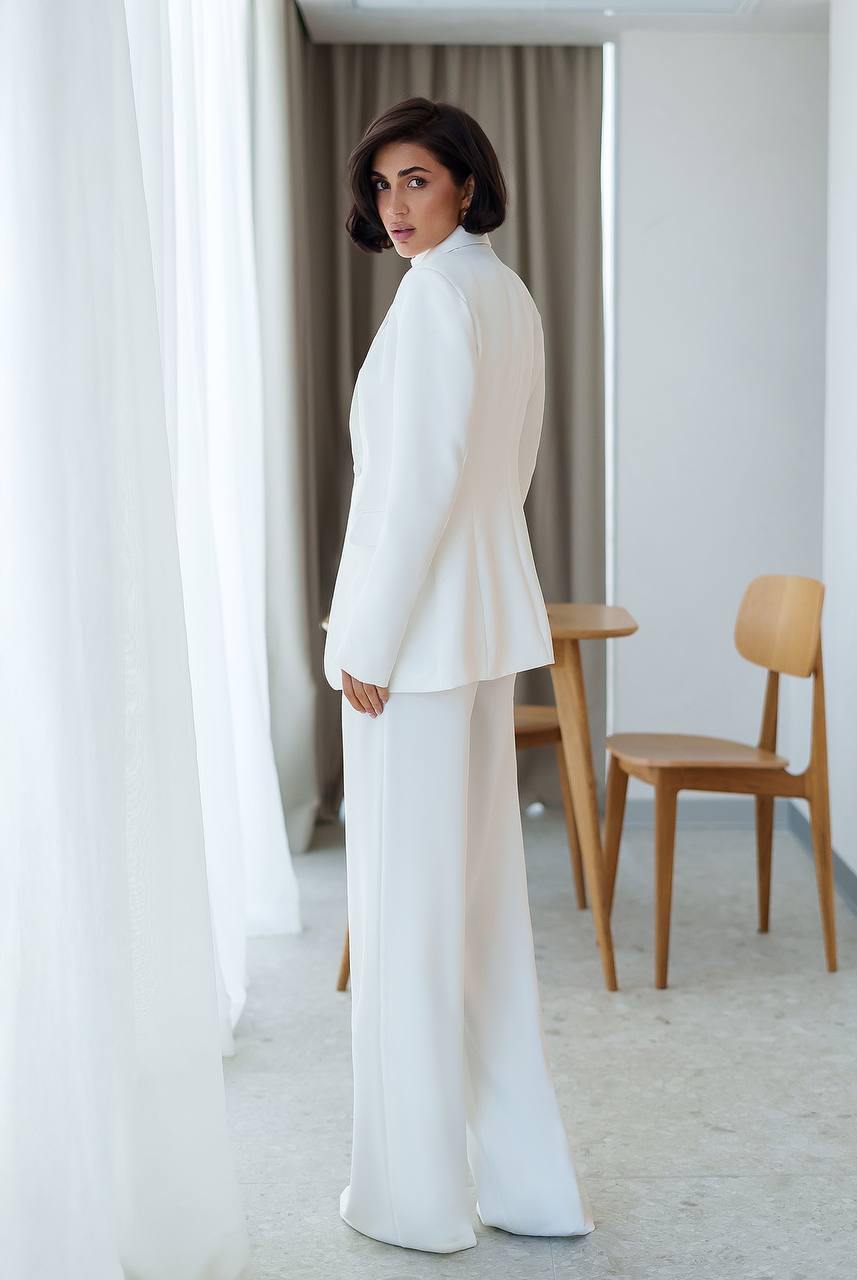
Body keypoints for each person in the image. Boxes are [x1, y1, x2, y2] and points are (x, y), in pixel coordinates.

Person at [322, 97, 596, 1254]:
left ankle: (414, 1198)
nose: (395, 206)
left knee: (408, 919)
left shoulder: (439, 299)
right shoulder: (506, 293)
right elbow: (499, 471)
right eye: (383, 185)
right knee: (478, 916)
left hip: (419, 646)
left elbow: (416, 487)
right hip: (479, 630)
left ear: (468, 186)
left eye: (417, 182)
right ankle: (529, 1186)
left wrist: (363, 643)